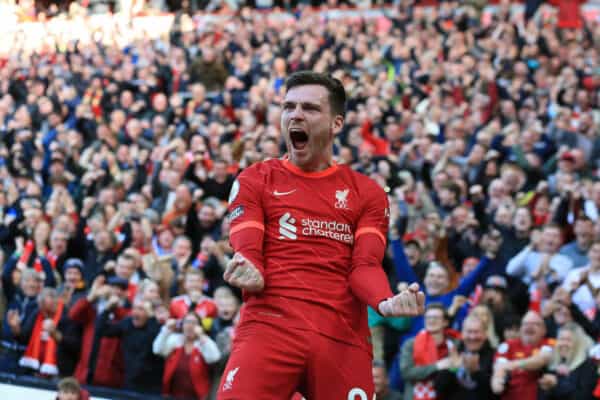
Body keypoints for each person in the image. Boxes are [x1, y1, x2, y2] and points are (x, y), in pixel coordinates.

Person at [218, 71, 425, 399]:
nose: (296, 115)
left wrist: (384, 301)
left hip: (341, 337)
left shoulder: (367, 193)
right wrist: (249, 268)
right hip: (270, 327)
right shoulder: (256, 179)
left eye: (310, 109)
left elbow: (365, 266)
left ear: (336, 124)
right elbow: (248, 249)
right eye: (289, 107)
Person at [153, 313, 222, 400]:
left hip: (197, 397)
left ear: (199, 327)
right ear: (182, 325)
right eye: (187, 322)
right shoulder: (175, 340)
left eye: (194, 323)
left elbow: (214, 357)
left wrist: (201, 335)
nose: (190, 325)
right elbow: (157, 350)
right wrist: (166, 329)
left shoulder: (203, 343)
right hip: (172, 396)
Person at [400, 303, 461, 400]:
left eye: (436, 317)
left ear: (445, 322)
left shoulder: (455, 343)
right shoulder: (411, 344)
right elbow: (407, 372)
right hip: (416, 396)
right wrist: (437, 366)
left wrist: (456, 368)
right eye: (428, 317)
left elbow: (458, 370)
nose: (431, 320)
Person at [491, 311, 555, 399]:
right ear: (520, 329)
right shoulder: (508, 345)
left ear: (544, 330)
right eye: (526, 324)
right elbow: (499, 368)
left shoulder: (549, 343)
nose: (529, 327)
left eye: (535, 324)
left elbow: (542, 359)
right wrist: (497, 382)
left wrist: (513, 364)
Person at [434, 314, 497, 400]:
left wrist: (476, 373)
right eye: (469, 332)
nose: (472, 337)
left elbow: (496, 393)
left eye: (476, 332)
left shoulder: (495, 355)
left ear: (485, 334)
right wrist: (453, 369)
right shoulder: (453, 353)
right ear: (462, 334)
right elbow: (439, 390)